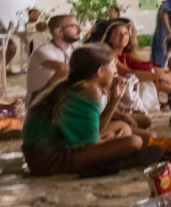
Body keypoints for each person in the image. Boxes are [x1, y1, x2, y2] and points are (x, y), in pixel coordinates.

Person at [22, 44, 162, 177]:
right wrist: (110, 136)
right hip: (52, 159)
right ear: (100, 72)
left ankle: (152, 150)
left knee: (129, 129)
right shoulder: (89, 90)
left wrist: (115, 101)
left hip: (49, 152)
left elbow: (93, 130)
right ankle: (102, 166)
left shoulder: (73, 85)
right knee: (134, 142)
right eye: (112, 66)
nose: (115, 71)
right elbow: (92, 140)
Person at [26, 14, 80, 105]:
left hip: (62, 99)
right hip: (41, 102)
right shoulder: (42, 51)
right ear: (58, 31)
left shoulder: (75, 49)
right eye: (73, 26)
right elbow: (66, 69)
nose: (79, 30)